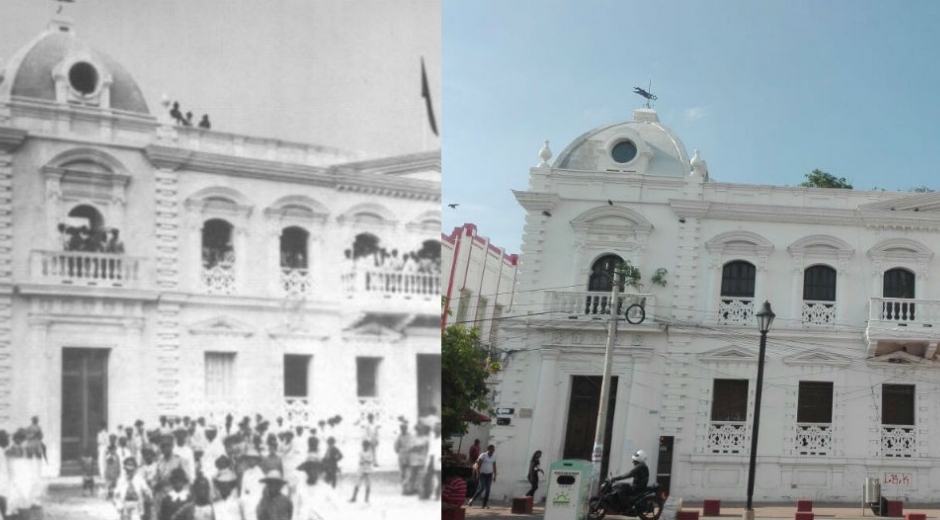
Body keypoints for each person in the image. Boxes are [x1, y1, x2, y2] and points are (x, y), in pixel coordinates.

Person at [467, 444, 497, 509]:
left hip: (489, 474)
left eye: (493, 450)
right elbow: (478, 464)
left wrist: (494, 475)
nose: (492, 451)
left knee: (488, 489)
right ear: (488, 449)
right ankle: (472, 499)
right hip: (482, 474)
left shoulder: (494, 457)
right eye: (491, 450)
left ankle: (484, 504)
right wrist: (478, 473)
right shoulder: (483, 455)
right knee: (481, 488)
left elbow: (494, 466)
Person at [393, 423, 411, 493]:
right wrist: (400, 451)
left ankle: (408, 487)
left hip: (409, 456)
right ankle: (404, 488)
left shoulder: (410, 436)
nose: (403, 429)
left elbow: (412, 445)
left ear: (406, 428)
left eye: (404, 428)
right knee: (402, 473)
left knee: (409, 473)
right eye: (402, 428)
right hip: (401, 456)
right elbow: (396, 447)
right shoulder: (399, 437)